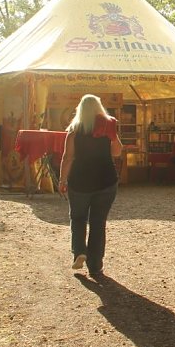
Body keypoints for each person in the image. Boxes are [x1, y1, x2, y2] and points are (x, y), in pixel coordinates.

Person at [59, 94, 122, 280]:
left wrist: (62, 180)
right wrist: (113, 137)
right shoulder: (108, 129)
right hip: (106, 180)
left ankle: (79, 251)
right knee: (98, 222)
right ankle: (95, 266)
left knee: (78, 218)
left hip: (80, 182)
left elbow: (67, 157)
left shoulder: (74, 132)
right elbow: (117, 152)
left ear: (80, 110)